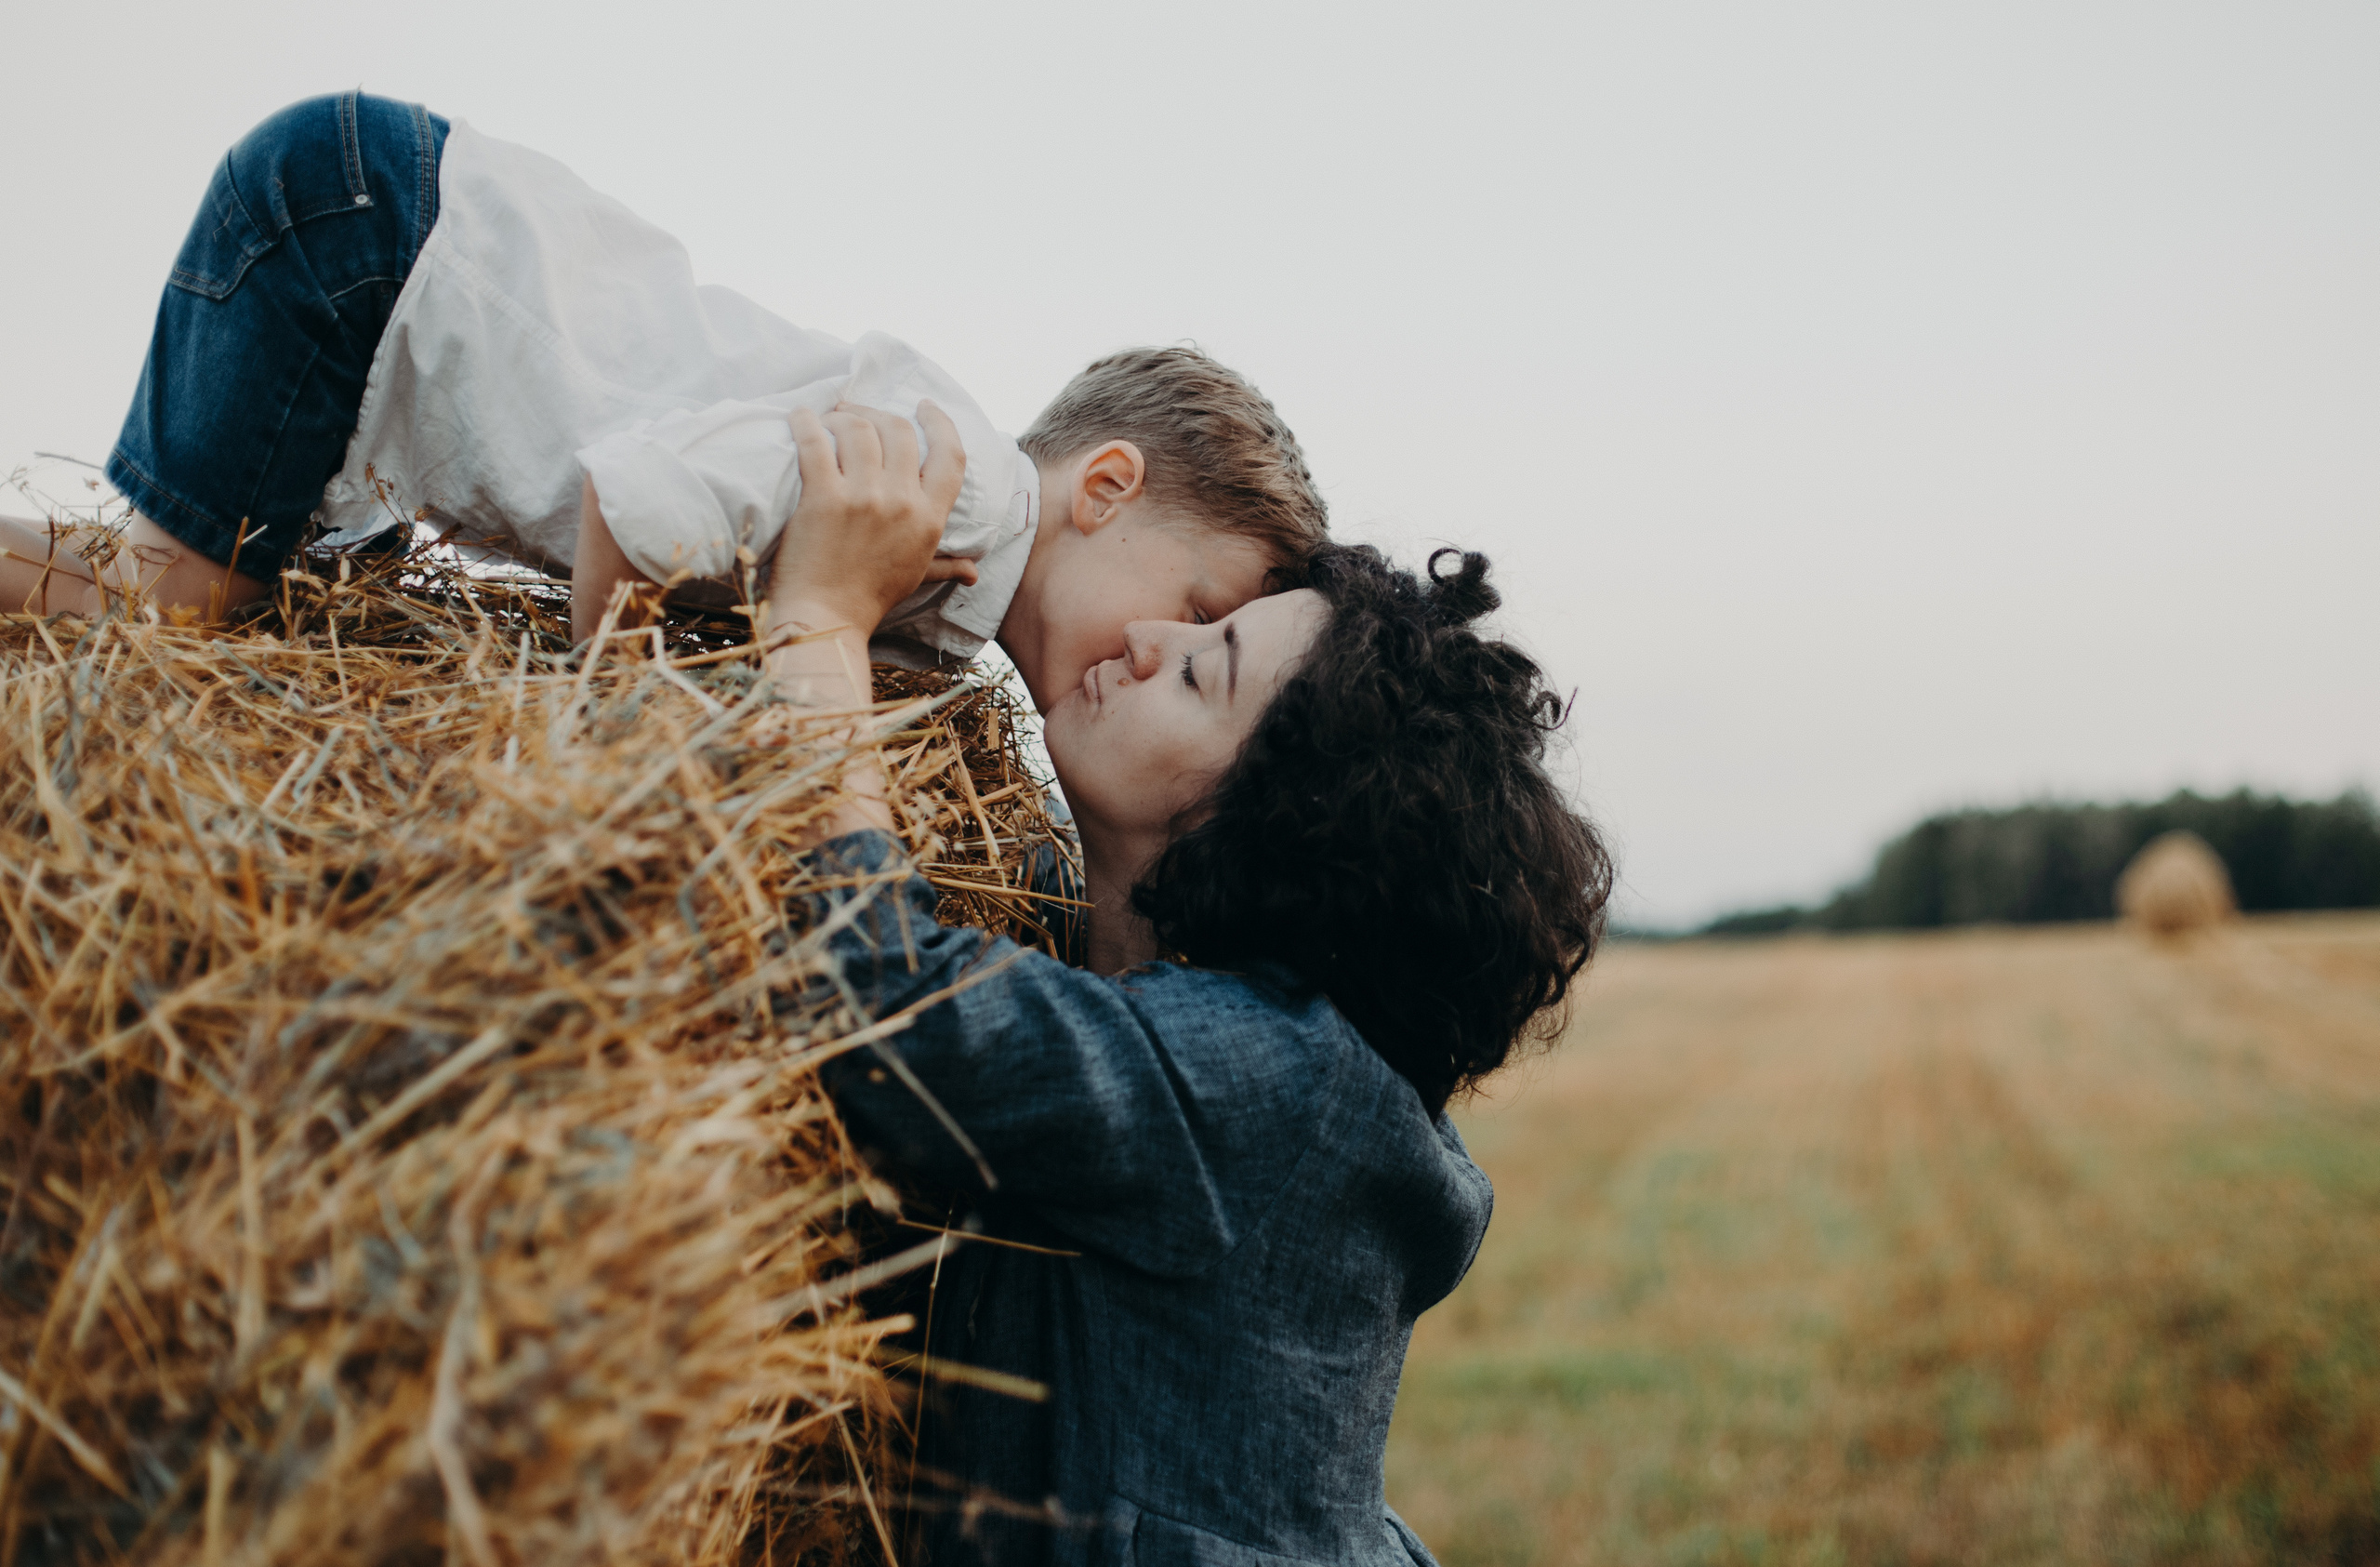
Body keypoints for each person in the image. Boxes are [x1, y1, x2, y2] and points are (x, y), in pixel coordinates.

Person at [763, 405, 1613, 1565]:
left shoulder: (1269, 1082)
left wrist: (818, 621)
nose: (1151, 637)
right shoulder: (1076, 933)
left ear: (1269, 822)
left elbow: (882, 998)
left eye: (1206, 658)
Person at [3, 91, 1327, 710]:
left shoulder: (951, 590)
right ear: (1105, 488)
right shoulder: (952, 498)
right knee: (167, 626)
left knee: (246, 626)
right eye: (1200, 610)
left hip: (385, 232)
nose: (1164, 656)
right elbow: (633, 507)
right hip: (373, 246)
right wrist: (607, 742)